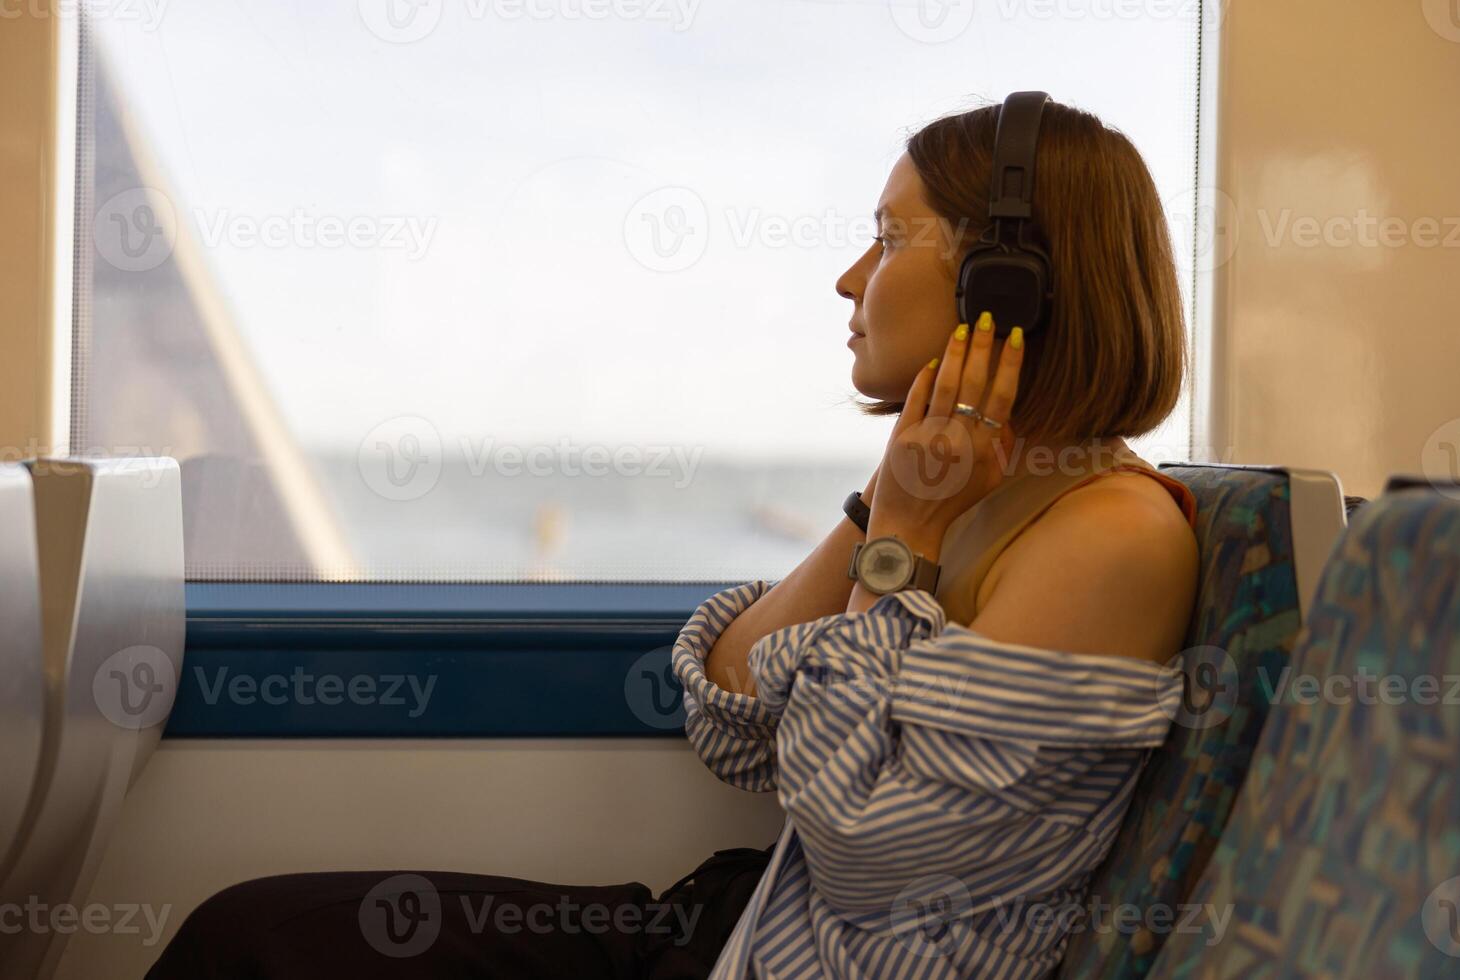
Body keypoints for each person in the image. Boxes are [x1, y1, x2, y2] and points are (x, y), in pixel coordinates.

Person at [144, 94, 1199, 980]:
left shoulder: (1108, 539)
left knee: (252, 951)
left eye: (884, 238)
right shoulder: (965, 492)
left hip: (780, 950)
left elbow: (875, 865)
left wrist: (907, 540)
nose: (847, 279)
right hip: (735, 926)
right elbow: (730, 711)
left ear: (1002, 287)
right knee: (252, 932)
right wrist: (891, 502)